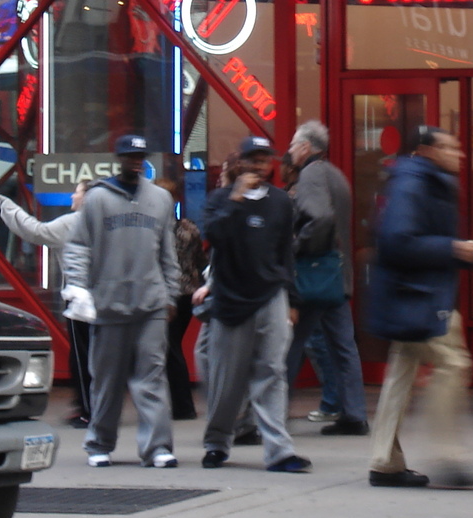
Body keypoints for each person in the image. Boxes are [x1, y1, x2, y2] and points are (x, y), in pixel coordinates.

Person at [366, 126, 473, 489]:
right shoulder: (414, 183)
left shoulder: (423, 180)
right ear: (429, 150)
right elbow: (397, 241)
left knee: (401, 375)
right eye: (451, 147)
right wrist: (454, 248)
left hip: (418, 295)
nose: (460, 153)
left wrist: (456, 251)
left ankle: (384, 461)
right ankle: (450, 455)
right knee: (453, 364)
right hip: (415, 297)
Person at [63, 134, 180, 469]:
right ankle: (99, 443)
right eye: (129, 156)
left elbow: (167, 252)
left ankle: (157, 447)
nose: (135, 161)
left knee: (152, 378)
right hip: (109, 304)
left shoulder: (159, 198)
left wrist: (171, 294)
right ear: (119, 158)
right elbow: (78, 247)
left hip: (151, 303)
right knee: (107, 380)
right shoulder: (98, 199)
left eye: (140, 156)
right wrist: (79, 288)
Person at [200, 135, 310, 473]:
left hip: (271, 294)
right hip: (231, 298)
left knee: (272, 372)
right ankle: (217, 443)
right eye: (254, 159)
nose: (261, 166)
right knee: (226, 378)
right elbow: (214, 235)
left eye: (266, 160)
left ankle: (279, 450)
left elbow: (285, 255)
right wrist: (236, 197)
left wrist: (291, 298)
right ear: (240, 162)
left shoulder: (280, 202)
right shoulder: (219, 199)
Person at [286, 120, 369, 435]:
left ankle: (274, 414)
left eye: (294, 145)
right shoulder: (337, 175)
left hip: (314, 275)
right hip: (337, 276)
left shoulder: (311, 174)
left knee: (291, 344)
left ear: (306, 147)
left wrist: (297, 246)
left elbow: (319, 217)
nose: (291, 151)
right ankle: (354, 413)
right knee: (344, 346)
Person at [0, 181, 93, 428]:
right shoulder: (107, 222)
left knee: (82, 358)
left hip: (82, 300)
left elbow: (37, 232)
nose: (73, 195)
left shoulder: (74, 222)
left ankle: (87, 410)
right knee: (100, 357)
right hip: (108, 298)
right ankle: (97, 406)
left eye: (78, 191)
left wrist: (8, 207)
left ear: (87, 198)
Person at [161, 159, 206, 421]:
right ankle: (179, 403)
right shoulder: (189, 228)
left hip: (169, 293)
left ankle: (182, 405)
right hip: (189, 293)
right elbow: (200, 262)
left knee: (170, 350)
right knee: (172, 347)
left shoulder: (159, 231)